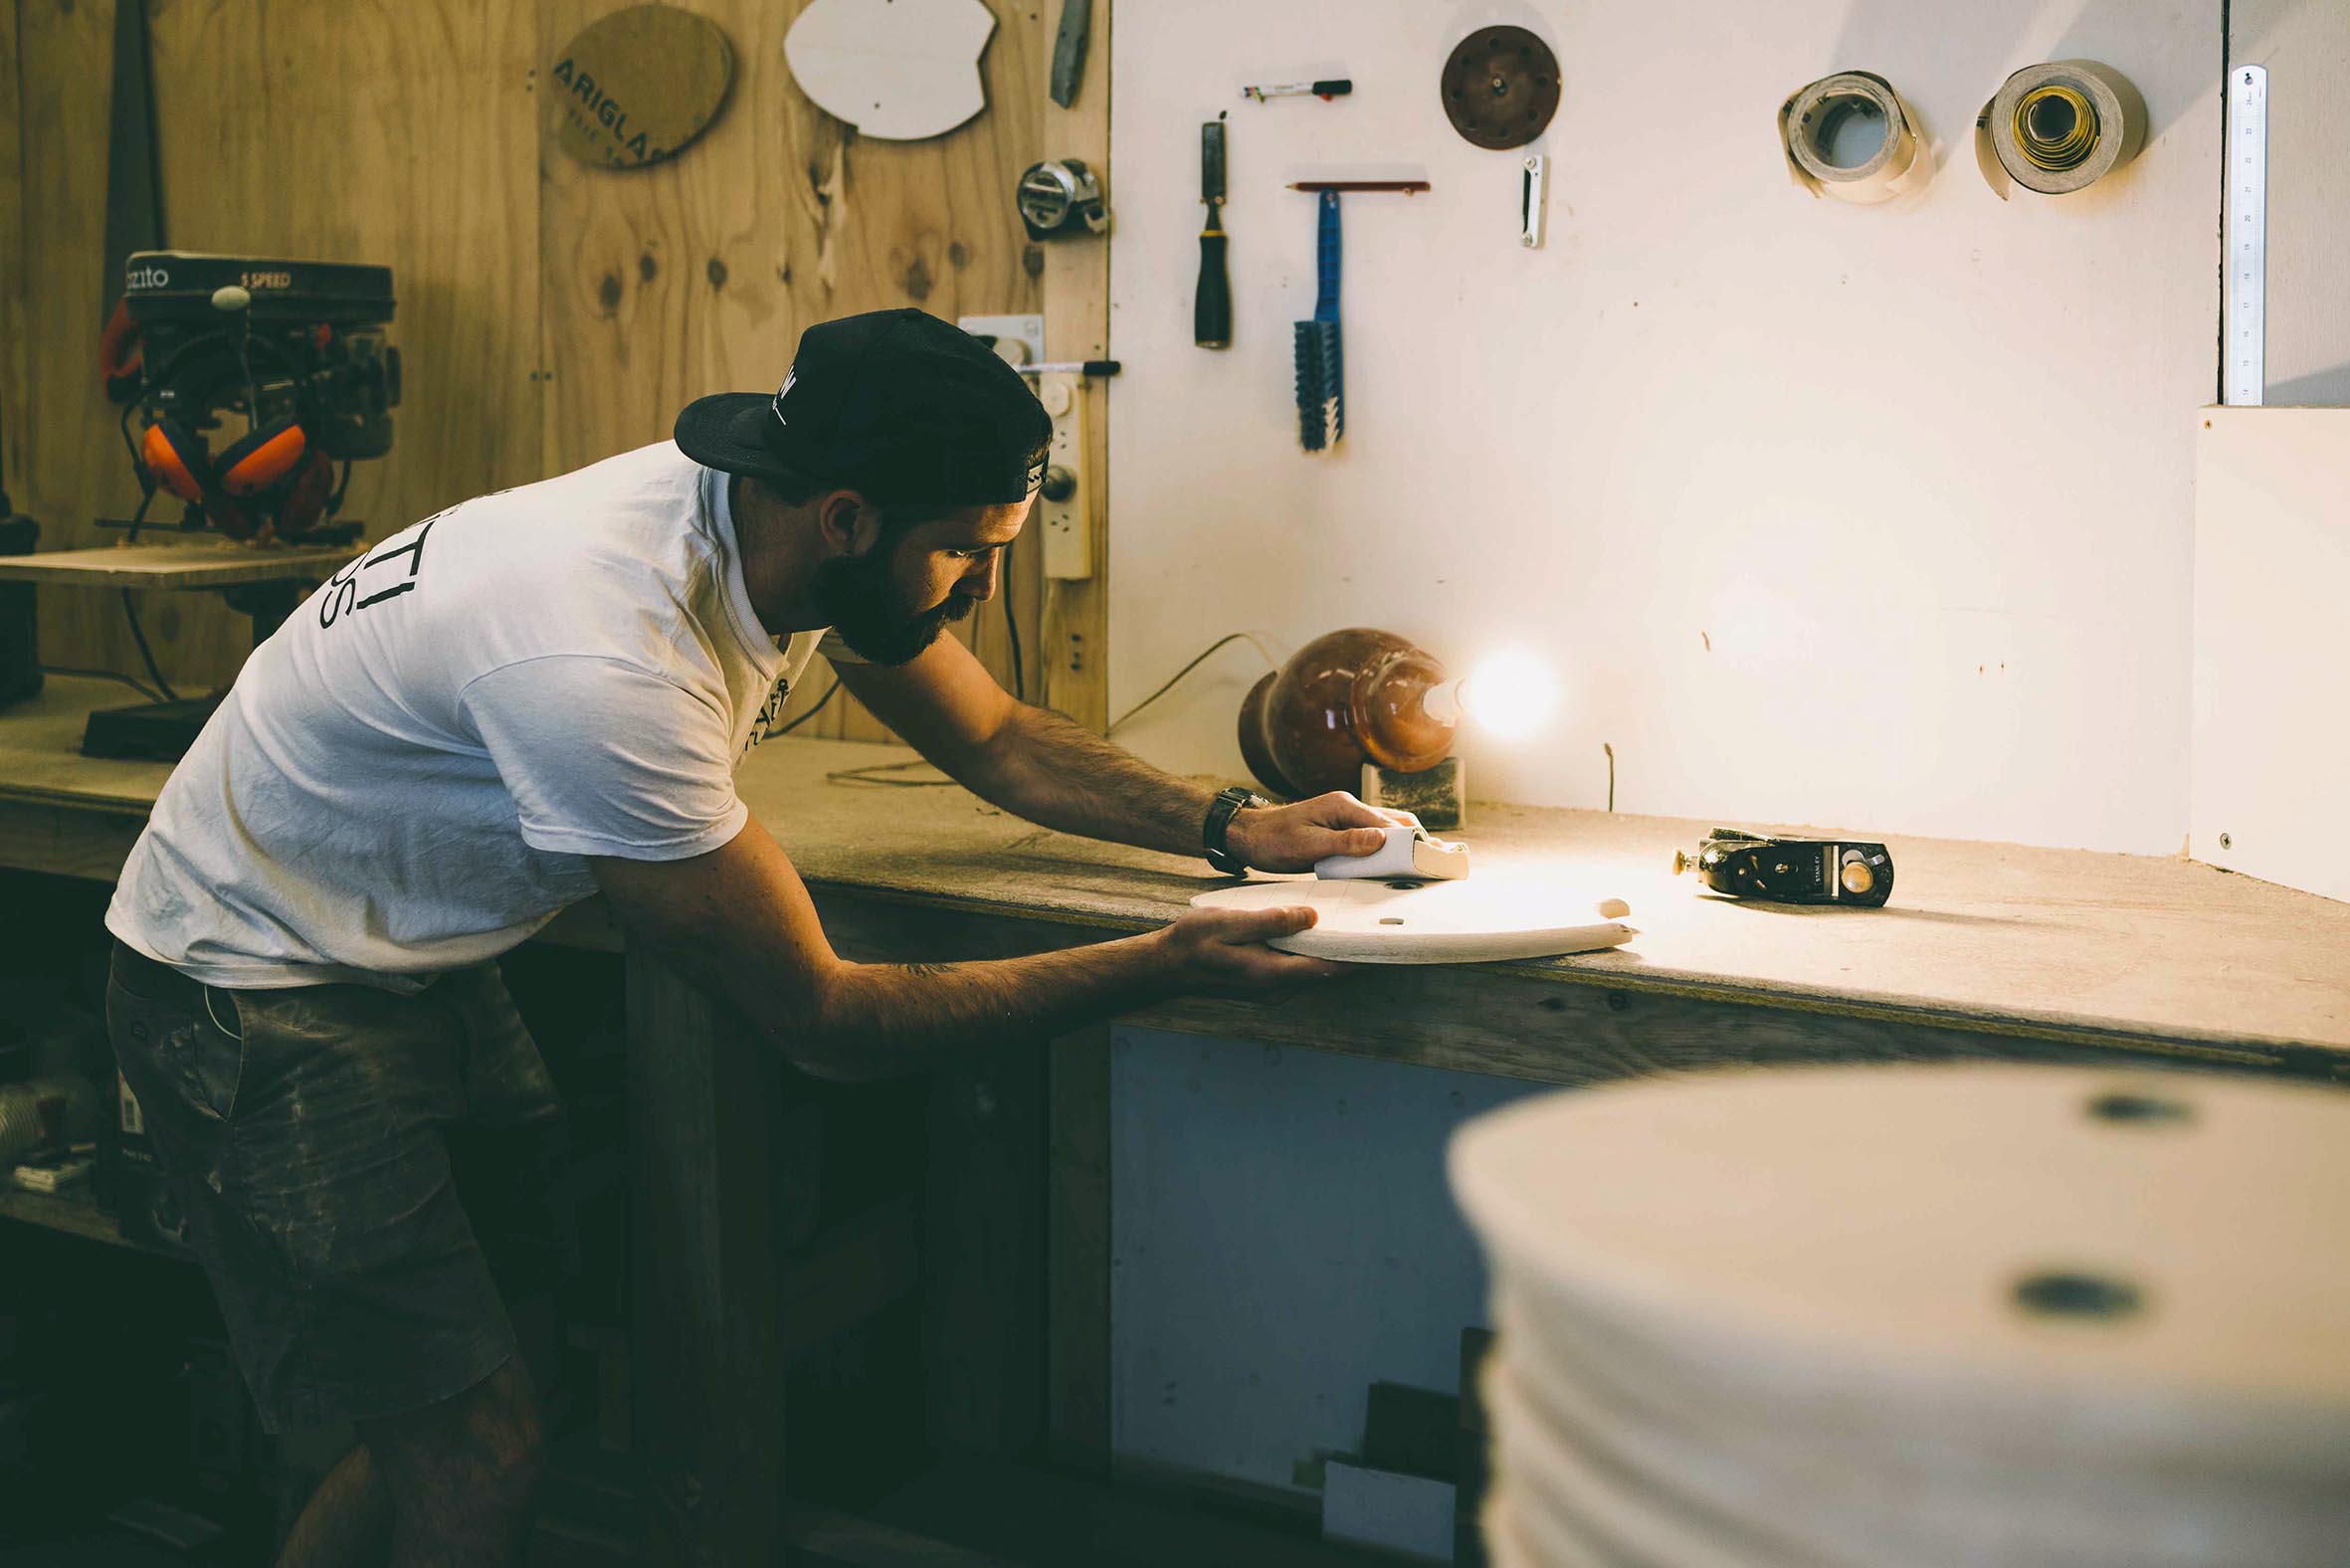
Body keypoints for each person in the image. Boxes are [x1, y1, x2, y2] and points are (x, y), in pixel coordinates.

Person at [102, 308, 1407, 1567]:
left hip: (400, 956)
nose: (984, 581)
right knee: (470, 1450)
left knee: (508, 1385)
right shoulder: (607, 656)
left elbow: (994, 737)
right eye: (963, 549)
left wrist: (1232, 825)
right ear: (846, 518)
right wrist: (1160, 964)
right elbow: (826, 1021)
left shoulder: (778, 522)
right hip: (251, 987)